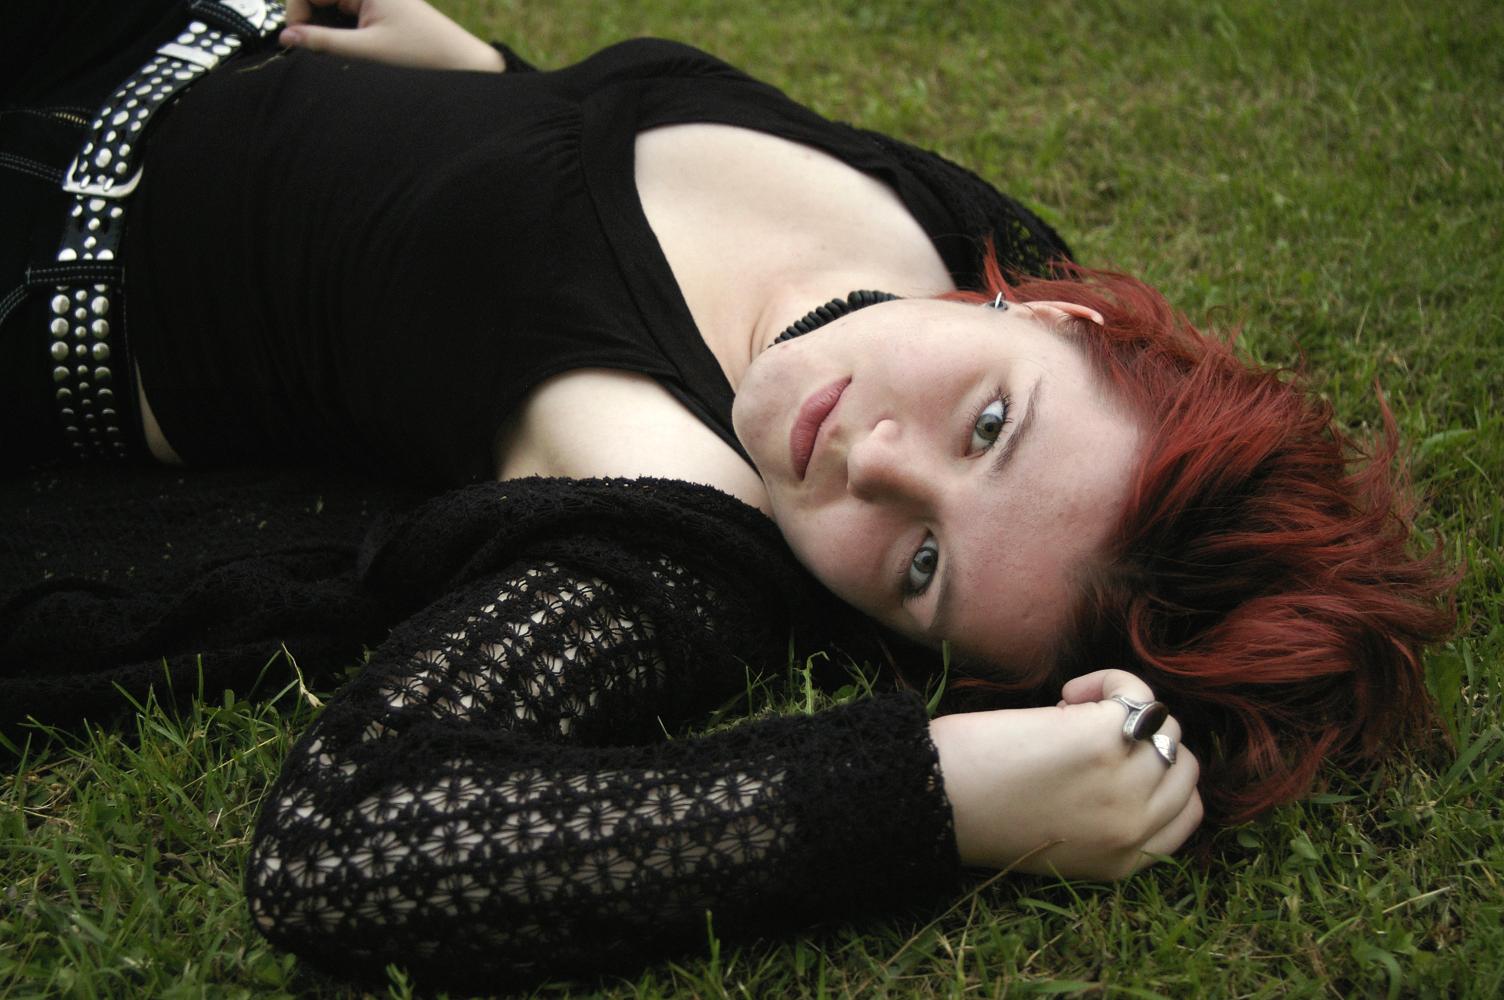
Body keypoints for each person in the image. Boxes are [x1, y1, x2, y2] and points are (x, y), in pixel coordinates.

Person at [0, 0, 1455, 991]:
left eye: (921, 567)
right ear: (1061, 317)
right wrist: (494, 78)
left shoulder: (677, 529)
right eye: (989, 425)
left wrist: (943, 795)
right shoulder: (960, 237)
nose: (872, 464)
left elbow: (347, 842)